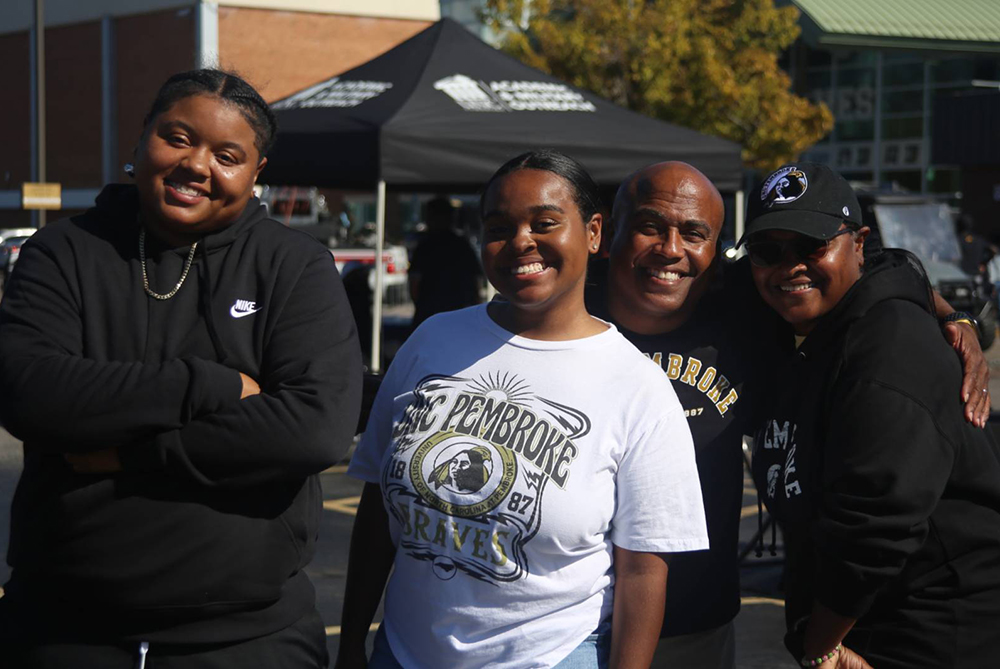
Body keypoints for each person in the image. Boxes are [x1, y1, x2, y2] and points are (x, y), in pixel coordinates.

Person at [0, 69, 362, 667]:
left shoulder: (294, 266)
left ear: (255, 174)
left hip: (249, 637)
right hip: (64, 629)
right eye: (178, 137)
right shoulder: (61, 253)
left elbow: (314, 426)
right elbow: (31, 394)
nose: (198, 164)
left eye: (227, 155)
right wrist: (211, 384)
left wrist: (128, 453)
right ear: (141, 139)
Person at [586, 161, 992, 669]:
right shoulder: (566, 315)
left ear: (714, 255)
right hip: (564, 623)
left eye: (694, 233)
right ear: (605, 232)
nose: (670, 250)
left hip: (709, 625)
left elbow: (886, 270)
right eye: (649, 226)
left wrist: (956, 317)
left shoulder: (746, 316)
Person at [336, 150, 709, 669]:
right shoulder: (431, 341)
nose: (520, 242)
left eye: (545, 223)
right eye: (498, 227)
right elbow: (379, 504)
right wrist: (352, 640)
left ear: (594, 232)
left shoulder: (638, 387)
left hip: (551, 656)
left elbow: (643, 572)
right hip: (401, 653)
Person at [744, 163, 1000, 669]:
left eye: (812, 245)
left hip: (933, 630)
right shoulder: (797, 323)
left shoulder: (890, 346)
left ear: (858, 244)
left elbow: (876, 525)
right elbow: (896, 269)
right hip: (861, 619)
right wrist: (955, 312)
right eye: (769, 251)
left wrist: (820, 648)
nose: (790, 264)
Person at [408, 196, 483, 328]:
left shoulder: (425, 246)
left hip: (430, 315)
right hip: (460, 314)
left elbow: (414, 284)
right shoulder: (462, 245)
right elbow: (477, 283)